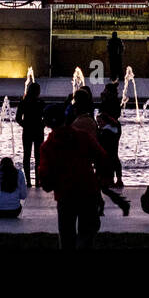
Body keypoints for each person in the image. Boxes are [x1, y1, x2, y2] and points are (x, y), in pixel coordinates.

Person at [38, 103, 107, 248]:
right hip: (88, 191)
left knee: (66, 235)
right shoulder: (83, 136)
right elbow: (102, 157)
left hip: (65, 195)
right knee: (87, 234)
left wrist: (50, 183)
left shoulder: (48, 147)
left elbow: (45, 178)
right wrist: (99, 180)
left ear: (46, 123)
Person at [95, 108, 131, 215]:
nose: (98, 124)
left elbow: (101, 145)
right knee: (103, 188)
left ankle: (103, 206)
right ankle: (120, 203)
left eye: (100, 122)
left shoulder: (105, 133)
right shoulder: (114, 130)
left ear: (105, 122)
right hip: (107, 164)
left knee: (100, 187)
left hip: (104, 164)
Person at [15, 81, 46, 187]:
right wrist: (42, 125)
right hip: (38, 131)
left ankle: (28, 181)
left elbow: (18, 118)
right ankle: (38, 181)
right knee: (38, 156)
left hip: (28, 131)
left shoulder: (24, 102)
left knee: (26, 155)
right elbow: (45, 117)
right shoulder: (41, 102)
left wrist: (25, 125)